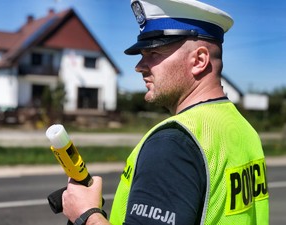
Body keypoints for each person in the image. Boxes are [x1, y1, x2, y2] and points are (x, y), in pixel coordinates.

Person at [62, 0, 269, 224]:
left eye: (154, 53)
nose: (140, 66)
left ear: (199, 60)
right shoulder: (245, 130)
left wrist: (86, 213)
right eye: (142, 54)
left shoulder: (173, 143)